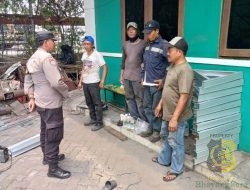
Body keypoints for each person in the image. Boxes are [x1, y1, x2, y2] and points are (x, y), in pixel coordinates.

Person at [24, 31, 71, 179]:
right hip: (51, 102)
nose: (54, 43)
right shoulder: (46, 58)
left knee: (45, 130)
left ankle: (47, 157)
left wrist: (31, 98)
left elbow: (28, 81)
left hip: (40, 102)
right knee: (54, 133)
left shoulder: (32, 58)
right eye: (53, 41)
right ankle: (53, 168)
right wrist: (66, 93)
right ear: (46, 42)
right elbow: (56, 82)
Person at [154, 36, 193, 182]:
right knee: (166, 138)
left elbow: (184, 96)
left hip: (176, 117)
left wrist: (175, 119)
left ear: (180, 52)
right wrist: (160, 104)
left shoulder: (185, 70)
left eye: (170, 50)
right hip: (167, 113)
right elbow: (168, 89)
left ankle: (177, 169)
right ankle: (164, 160)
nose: (167, 53)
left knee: (176, 143)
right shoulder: (172, 66)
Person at [140, 20, 169, 143]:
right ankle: (151, 128)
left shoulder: (164, 45)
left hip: (157, 84)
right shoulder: (147, 45)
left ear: (157, 31)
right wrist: (142, 78)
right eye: (146, 33)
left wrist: (164, 80)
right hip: (146, 82)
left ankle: (157, 131)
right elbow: (144, 64)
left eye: (150, 32)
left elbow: (171, 65)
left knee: (156, 108)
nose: (148, 35)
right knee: (146, 106)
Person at [78, 35, 108, 131]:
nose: (86, 45)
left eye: (88, 44)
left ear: (92, 45)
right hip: (86, 82)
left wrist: (102, 81)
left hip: (94, 82)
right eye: (84, 44)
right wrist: (80, 81)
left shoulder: (97, 55)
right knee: (89, 102)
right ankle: (93, 119)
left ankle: (99, 122)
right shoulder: (85, 54)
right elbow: (84, 68)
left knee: (97, 103)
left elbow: (105, 68)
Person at [119, 22, 147, 123]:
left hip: (138, 77)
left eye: (133, 29)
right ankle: (134, 119)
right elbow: (123, 61)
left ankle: (143, 121)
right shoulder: (125, 44)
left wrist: (144, 77)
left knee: (139, 100)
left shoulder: (143, 43)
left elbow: (146, 61)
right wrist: (121, 74)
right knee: (129, 98)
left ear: (137, 31)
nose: (131, 31)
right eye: (129, 29)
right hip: (127, 77)